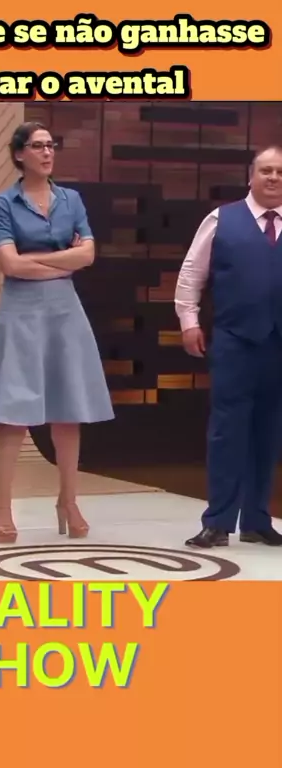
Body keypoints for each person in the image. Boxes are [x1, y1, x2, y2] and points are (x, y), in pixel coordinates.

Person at [0, 121, 114, 544]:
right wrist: (62, 259)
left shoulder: (72, 200)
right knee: (13, 413)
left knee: (68, 410)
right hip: (20, 310)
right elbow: (9, 265)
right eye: (37, 146)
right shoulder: (3, 203)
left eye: (51, 145)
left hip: (65, 310)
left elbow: (88, 255)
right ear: (20, 154)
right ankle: (1, 505)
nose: (47, 152)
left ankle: (68, 501)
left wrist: (41, 260)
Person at [175, 144, 282, 548]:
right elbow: (191, 274)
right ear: (251, 176)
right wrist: (189, 321)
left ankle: (256, 520)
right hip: (235, 342)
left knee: (268, 433)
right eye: (266, 170)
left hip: (278, 346)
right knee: (227, 432)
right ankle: (218, 522)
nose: (274, 178)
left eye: (280, 172)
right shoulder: (222, 219)